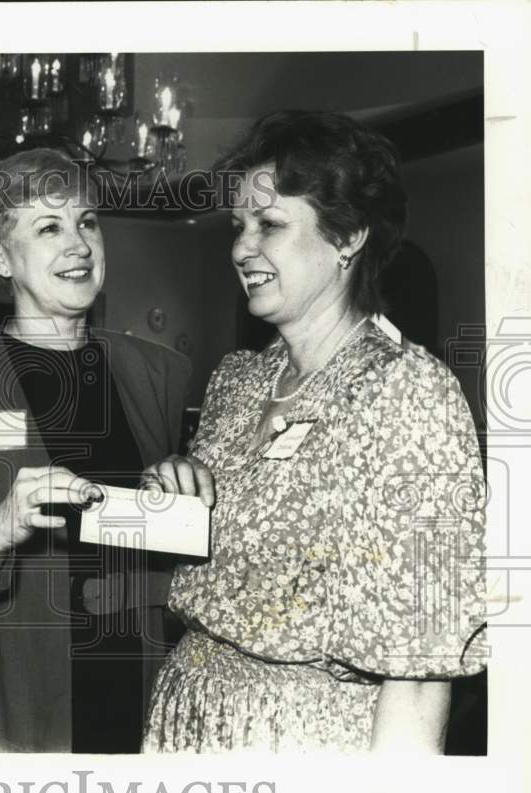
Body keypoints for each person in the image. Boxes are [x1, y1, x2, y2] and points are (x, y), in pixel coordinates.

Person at [142, 111, 487, 753]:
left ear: (348, 237)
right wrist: (165, 497)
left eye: (270, 225)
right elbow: (220, 557)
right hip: (187, 718)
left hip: (306, 745)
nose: (242, 247)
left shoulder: (408, 392)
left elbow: (421, 656)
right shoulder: (237, 381)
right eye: (239, 225)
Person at [0, 148, 210, 753]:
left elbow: (172, 560)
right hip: (5, 725)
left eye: (88, 222)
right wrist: (0, 526)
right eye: (49, 228)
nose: (79, 244)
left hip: (137, 717)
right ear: (0, 256)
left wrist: (184, 492)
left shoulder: (157, 373)